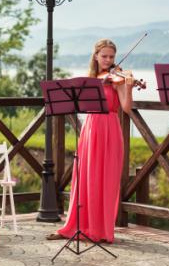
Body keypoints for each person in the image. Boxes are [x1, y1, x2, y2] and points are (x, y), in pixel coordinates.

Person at [48, 39, 136, 243]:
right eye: (104, 56)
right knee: (85, 177)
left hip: (109, 129)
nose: (108, 60)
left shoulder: (119, 79)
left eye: (111, 57)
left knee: (105, 179)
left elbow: (126, 107)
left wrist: (129, 87)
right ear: (96, 56)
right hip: (90, 128)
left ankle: (101, 230)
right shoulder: (90, 79)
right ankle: (77, 226)